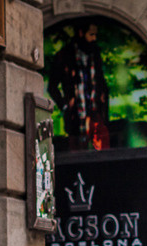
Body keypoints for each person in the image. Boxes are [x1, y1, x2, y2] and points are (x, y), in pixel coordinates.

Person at [48, 20, 110, 150]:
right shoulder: (65, 55)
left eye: (95, 35)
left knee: (100, 151)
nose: (94, 38)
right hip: (75, 117)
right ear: (81, 33)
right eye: (91, 34)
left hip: (95, 115)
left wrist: (104, 107)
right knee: (77, 152)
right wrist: (65, 105)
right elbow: (52, 86)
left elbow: (101, 83)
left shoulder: (95, 55)